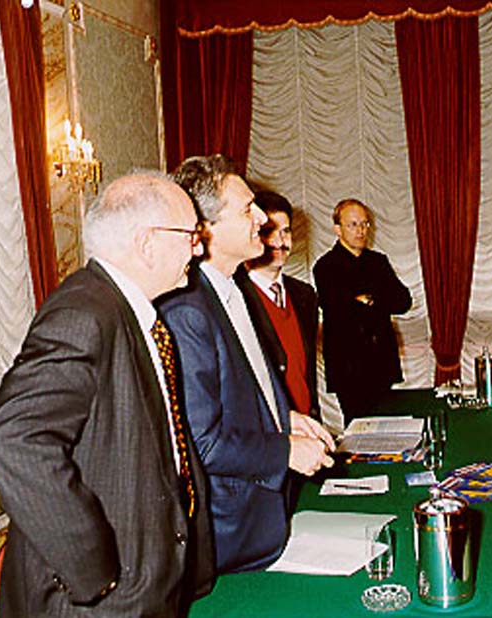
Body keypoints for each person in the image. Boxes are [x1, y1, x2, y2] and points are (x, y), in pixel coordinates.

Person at [0, 172, 214, 616]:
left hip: (143, 579)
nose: (199, 249)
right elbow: (10, 437)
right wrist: (92, 570)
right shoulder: (85, 312)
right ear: (147, 243)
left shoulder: (125, 310)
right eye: (191, 235)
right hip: (97, 603)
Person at [158, 155, 335, 574]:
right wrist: (286, 449)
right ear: (206, 228)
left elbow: (243, 389)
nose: (262, 218)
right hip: (229, 536)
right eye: (247, 209)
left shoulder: (234, 289)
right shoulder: (187, 310)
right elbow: (202, 443)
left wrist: (285, 418)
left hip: (266, 516)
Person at [313, 198, 412, 426]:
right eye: (353, 224)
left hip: (382, 361)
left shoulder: (378, 262)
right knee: (358, 429)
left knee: (386, 427)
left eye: (365, 224)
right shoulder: (326, 267)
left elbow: (403, 302)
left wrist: (370, 300)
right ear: (337, 229)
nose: (361, 230)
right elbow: (339, 310)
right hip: (349, 367)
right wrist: (374, 301)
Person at [238, 190, 319, 419]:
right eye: (268, 232)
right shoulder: (235, 295)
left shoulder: (304, 295)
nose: (280, 241)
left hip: (308, 424)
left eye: (286, 231)